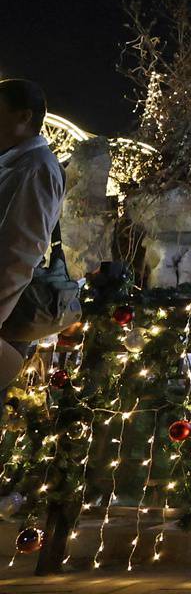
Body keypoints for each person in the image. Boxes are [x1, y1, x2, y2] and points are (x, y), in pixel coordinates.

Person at [0, 79, 66, 388]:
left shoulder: (35, 167)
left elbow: (19, 252)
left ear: (24, 116)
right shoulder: (16, 162)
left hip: (5, 322)